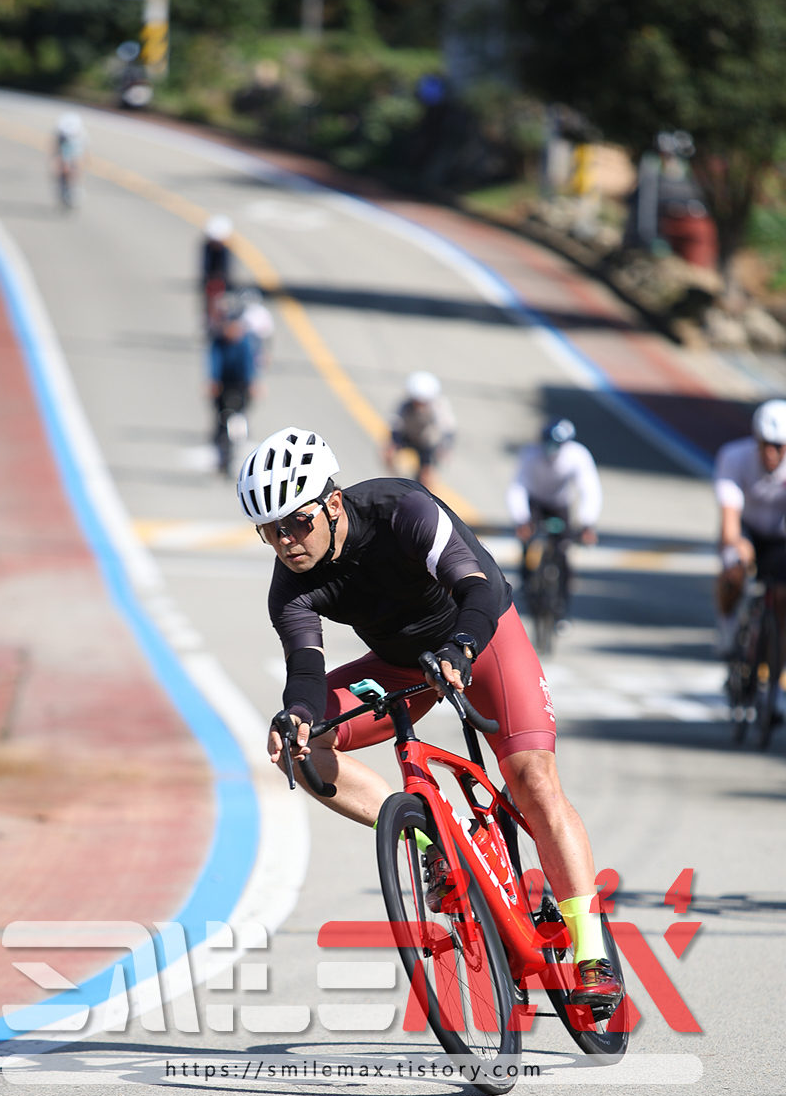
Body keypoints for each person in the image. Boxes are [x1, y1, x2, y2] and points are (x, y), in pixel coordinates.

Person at [238, 427, 623, 1011]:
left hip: (481, 639)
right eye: (270, 531)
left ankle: (592, 951)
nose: (286, 541)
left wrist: (460, 648)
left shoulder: (402, 510)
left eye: (296, 522)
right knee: (302, 748)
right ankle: (436, 837)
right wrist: (295, 715)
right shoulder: (289, 587)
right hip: (400, 666)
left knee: (533, 779)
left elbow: (480, 587)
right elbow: (307, 672)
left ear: (332, 503)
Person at [712, 400, 786, 726]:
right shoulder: (734, 456)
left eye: (780, 446)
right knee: (733, 569)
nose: (771, 453)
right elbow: (729, 522)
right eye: (765, 444)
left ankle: (773, 695)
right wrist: (737, 547)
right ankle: (728, 632)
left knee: (781, 604)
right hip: (747, 529)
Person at [506, 418, 603, 634]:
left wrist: (587, 523)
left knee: (564, 552)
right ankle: (526, 581)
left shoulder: (578, 456)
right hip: (535, 503)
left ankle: (563, 610)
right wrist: (521, 519)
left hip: (560, 505)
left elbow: (590, 490)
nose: (552, 450)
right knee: (528, 542)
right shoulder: (530, 454)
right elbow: (517, 488)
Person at [206, 298, 260, 476]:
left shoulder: (245, 343)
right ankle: (222, 456)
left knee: (240, 416)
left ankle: (238, 446)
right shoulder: (219, 342)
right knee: (221, 420)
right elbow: (214, 362)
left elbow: (249, 366)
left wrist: (253, 383)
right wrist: (212, 381)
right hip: (224, 384)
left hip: (240, 384)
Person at [385, 372, 456, 491]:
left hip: (428, 444)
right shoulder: (405, 405)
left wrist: (445, 448)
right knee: (387, 454)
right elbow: (396, 423)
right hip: (409, 438)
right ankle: (398, 483)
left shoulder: (439, 406)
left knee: (427, 475)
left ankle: (426, 493)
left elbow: (448, 427)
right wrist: (394, 444)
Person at [201, 215, 234, 324]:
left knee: (221, 304)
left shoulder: (224, 250)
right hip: (212, 280)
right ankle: (211, 321)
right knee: (211, 303)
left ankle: (220, 321)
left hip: (220, 281)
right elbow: (205, 266)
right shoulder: (208, 248)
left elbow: (227, 268)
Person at [53, 113, 86, 208]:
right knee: (62, 167)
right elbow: (57, 151)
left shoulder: (82, 135)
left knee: (77, 168)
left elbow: (84, 153)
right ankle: (62, 186)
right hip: (64, 151)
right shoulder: (61, 136)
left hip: (75, 151)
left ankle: (75, 188)